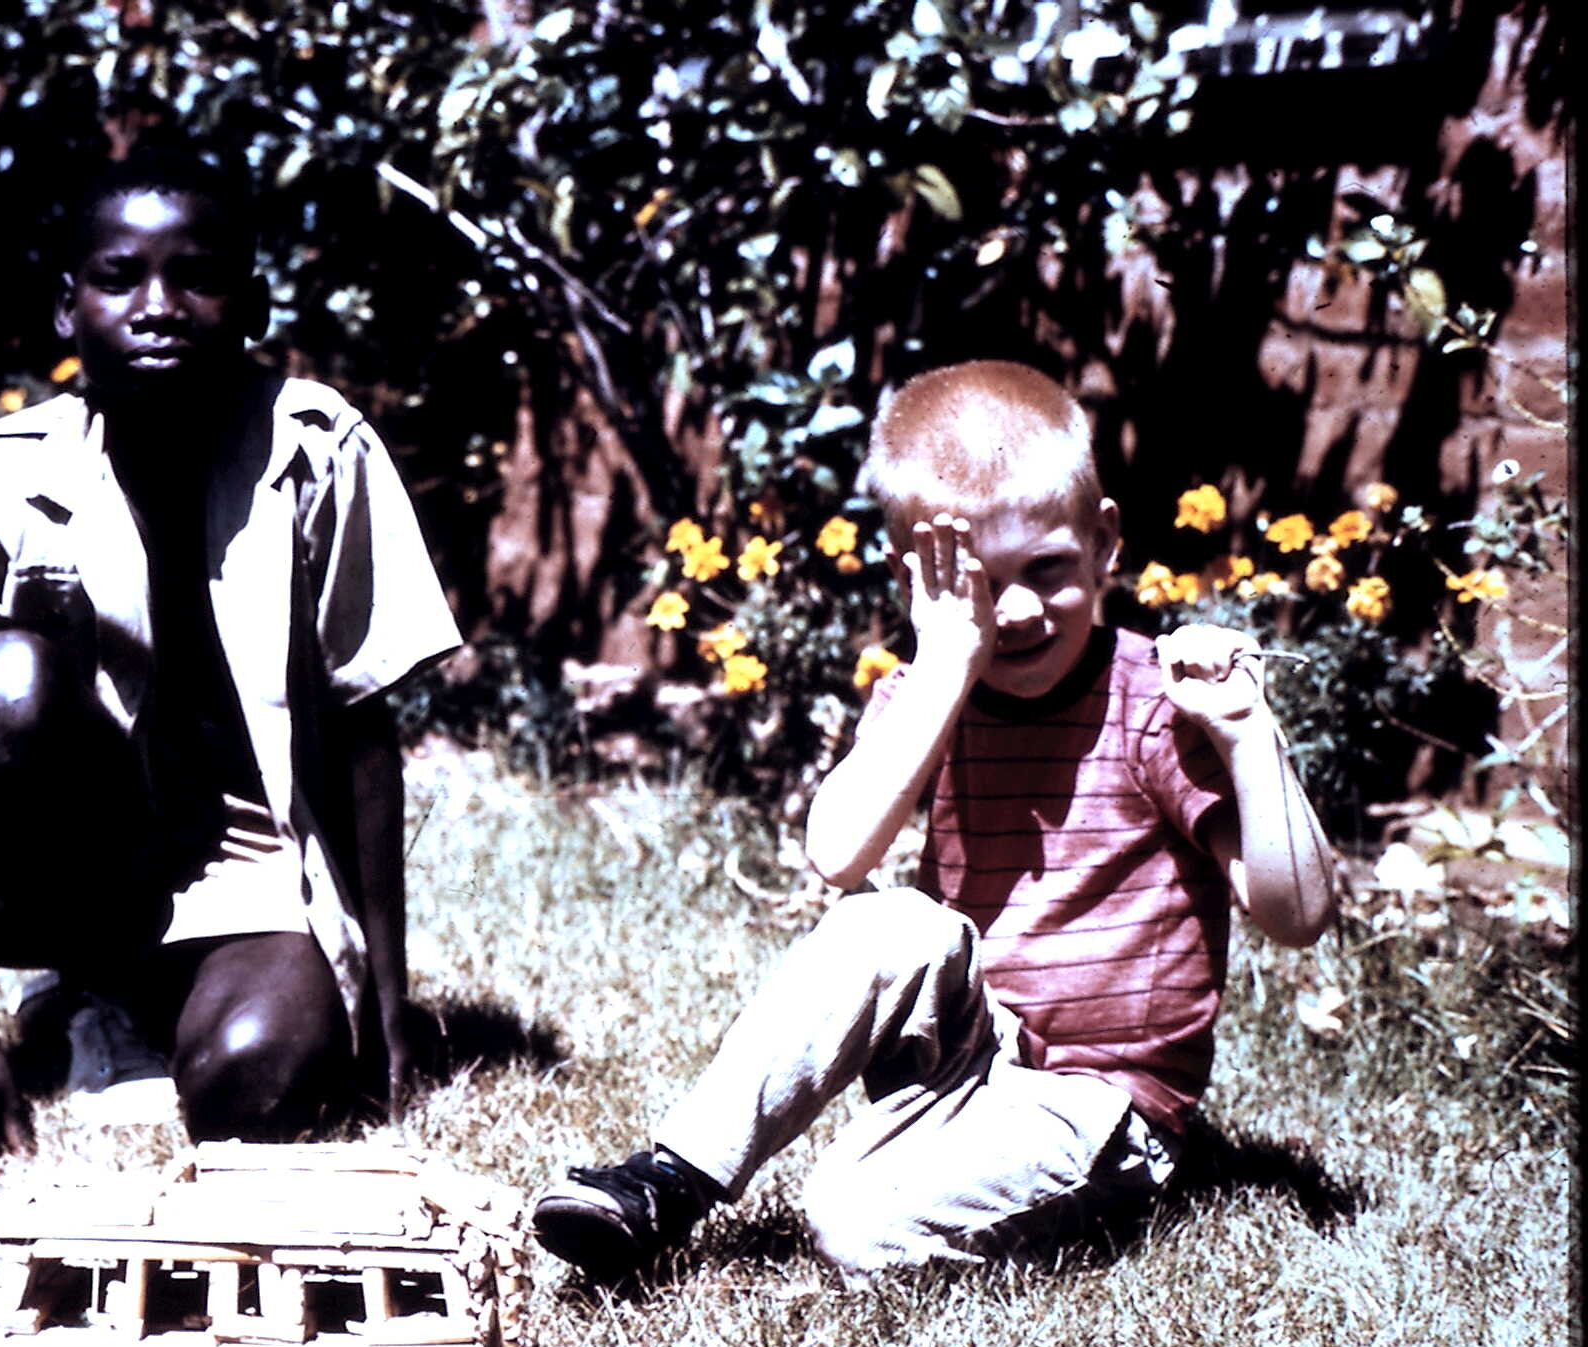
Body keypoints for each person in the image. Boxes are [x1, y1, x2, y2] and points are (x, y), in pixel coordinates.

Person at [533, 359, 1337, 1282]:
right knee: (886, 918)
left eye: (1049, 570)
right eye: (986, 587)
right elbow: (838, 857)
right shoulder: (931, 691)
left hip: (1098, 1103)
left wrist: (1247, 734)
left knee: (850, 1226)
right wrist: (950, 663)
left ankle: (1074, 1202)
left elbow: (1297, 914)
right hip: (967, 1050)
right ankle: (670, 1182)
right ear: (920, 580)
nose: (1024, 612)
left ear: (1105, 542)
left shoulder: (1153, 699)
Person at [0, 141, 460, 1185]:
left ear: (252, 304)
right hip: (91, 862)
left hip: (258, 872)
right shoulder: (7, 479)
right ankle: (82, 986)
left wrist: (385, 1004)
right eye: (120, 278)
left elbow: (363, 722)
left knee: (253, 1094)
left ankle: (174, 1011)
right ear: (67, 309)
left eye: (200, 277)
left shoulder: (318, 454)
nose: (160, 305)